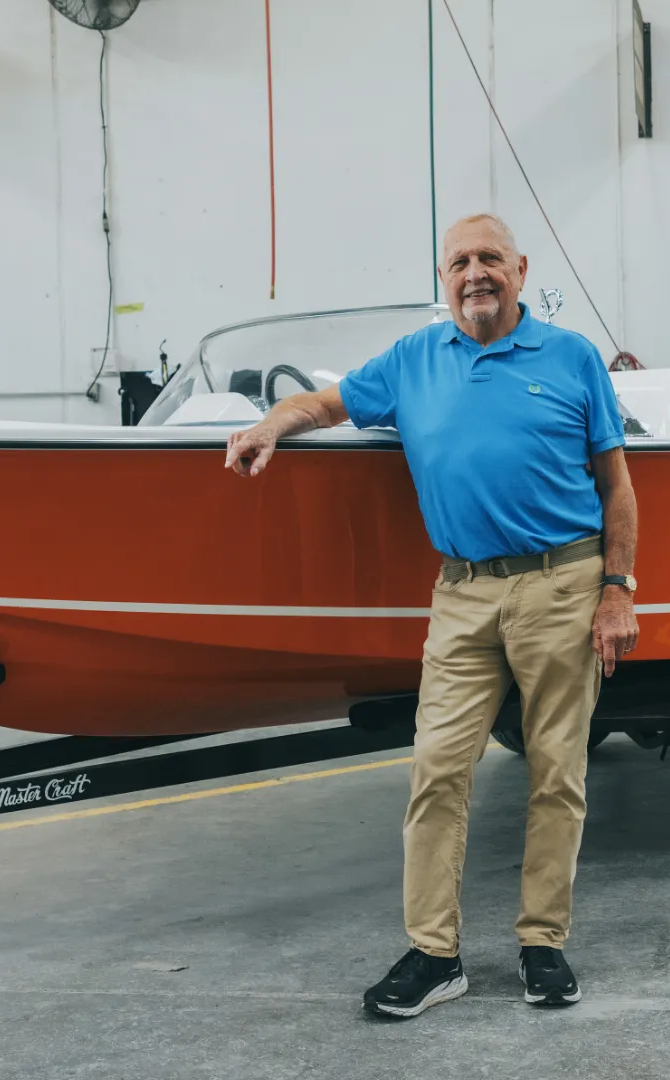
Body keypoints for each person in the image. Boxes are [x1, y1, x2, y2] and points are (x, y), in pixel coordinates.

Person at [224, 213, 640, 1019]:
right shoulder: (413, 360)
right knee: (438, 770)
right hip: (462, 593)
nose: (475, 273)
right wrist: (271, 424)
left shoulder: (572, 357)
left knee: (558, 771)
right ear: (442, 279)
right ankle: (434, 953)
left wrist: (616, 586)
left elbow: (617, 484)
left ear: (520, 270)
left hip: (563, 583)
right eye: (460, 263)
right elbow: (326, 403)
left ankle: (543, 943)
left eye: (491, 259)